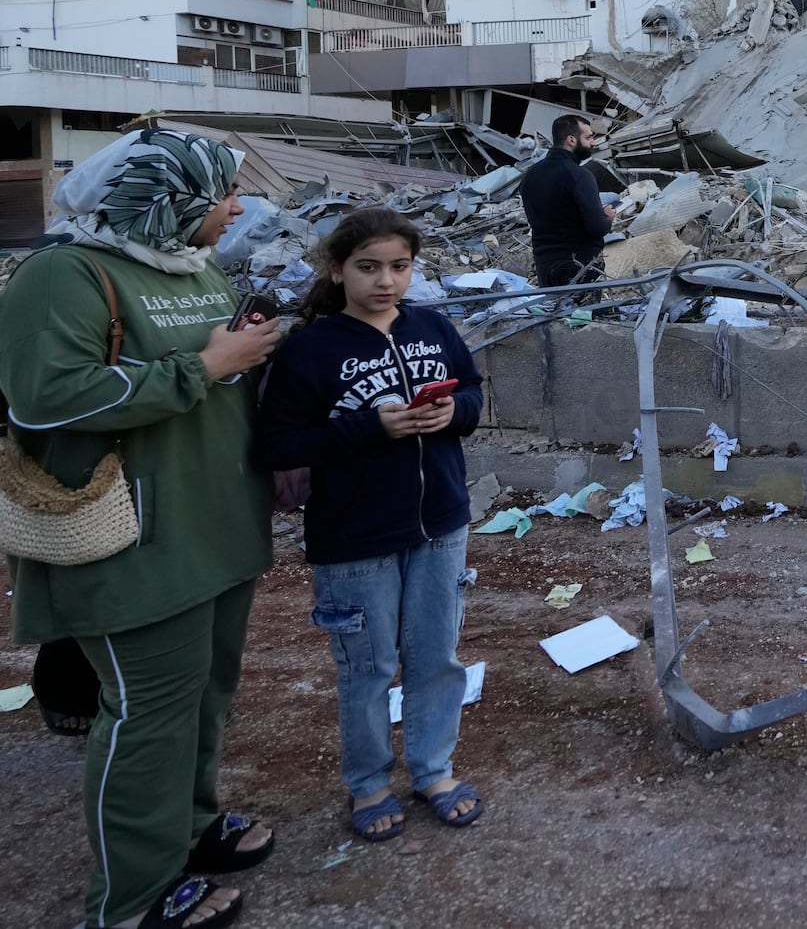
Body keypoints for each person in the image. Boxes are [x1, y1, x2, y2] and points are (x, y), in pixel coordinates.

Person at [0, 128, 281, 928]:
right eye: (220, 194)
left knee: (204, 694)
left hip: (218, 526)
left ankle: (186, 827)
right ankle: (129, 898)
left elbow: (222, 359)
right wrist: (207, 368)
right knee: (149, 706)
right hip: (134, 538)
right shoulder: (61, 275)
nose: (237, 207)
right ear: (166, 200)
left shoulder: (192, 267)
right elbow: (47, 397)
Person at [258, 207, 486, 843]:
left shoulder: (434, 326)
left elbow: (472, 393)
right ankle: (369, 785)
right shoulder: (311, 349)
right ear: (338, 270)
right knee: (368, 668)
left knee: (437, 657)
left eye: (399, 266)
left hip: (440, 522)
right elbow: (276, 445)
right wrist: (369, 427)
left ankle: (434, 772)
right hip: (353, 539)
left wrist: (453, 414)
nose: (386, 281)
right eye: (368, 267)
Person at [519, 113, 614, 302]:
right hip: (579, 268)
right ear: (571, 139)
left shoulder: (530, 175)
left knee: (555, 322)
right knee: (582, 325)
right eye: (588, 137)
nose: (593, 143)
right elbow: (597, 227)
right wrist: (607, 218)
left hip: (545, 267)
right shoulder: (580, 176)